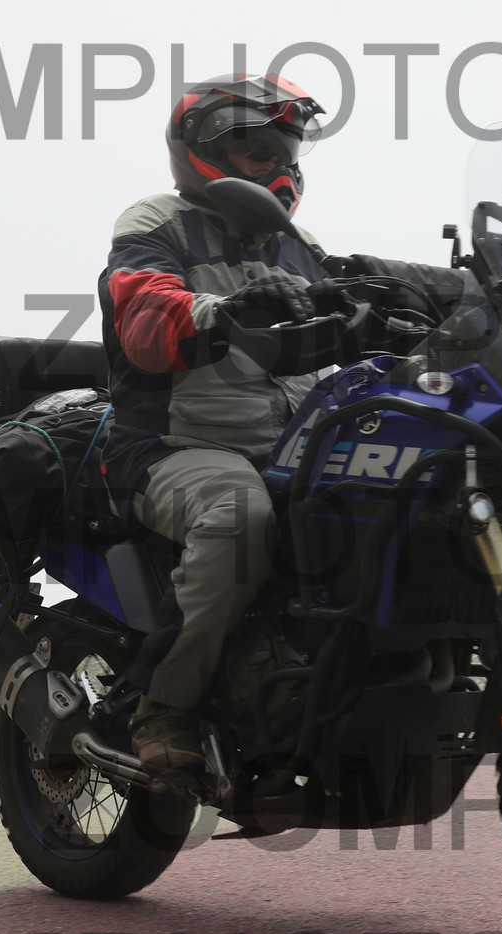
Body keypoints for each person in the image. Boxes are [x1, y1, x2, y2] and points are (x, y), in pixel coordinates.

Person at [97, 73, 352, 790]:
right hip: (175, 448)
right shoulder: (156, 222)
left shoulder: (301, 246)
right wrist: (226, 309)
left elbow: (354, 319)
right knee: (240, 513)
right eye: (257, 151)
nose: (278, 169)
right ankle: (163, 705)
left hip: (289, 451)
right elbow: (145, 321)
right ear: (200, 150)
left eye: (285, 153)